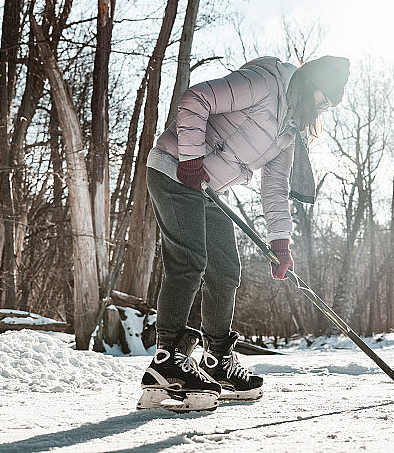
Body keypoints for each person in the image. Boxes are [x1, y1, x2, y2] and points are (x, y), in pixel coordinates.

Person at [136, 55, 350, 412]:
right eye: (322, 99)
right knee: (189, 261)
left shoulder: (290, 128)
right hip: (174, 169)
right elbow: (195, 99)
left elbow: (276, 186)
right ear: (307, 83)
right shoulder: (266, 83)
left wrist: (280, 242)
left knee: (225, 271)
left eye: (328, 105)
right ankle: (166, 360)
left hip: (206, 188)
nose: (322, 109)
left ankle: (217, 360)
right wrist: (190, 159)